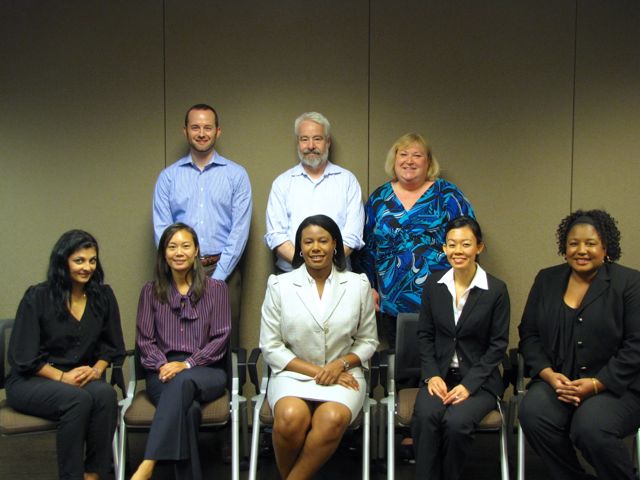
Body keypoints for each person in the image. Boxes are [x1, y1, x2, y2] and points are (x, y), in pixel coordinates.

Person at [518, 209, 640, 480]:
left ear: (606, 247)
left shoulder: (629, 283)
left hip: (616, 388)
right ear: (564, 247)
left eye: (590, 243)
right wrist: (549, 376)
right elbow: (529, 334)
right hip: (559, 382)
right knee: (533, 413)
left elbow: (636, 345)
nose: (581, 250)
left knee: (591, 428)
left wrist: (596, 384)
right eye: (574, 243)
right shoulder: (546, 279)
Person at [260, 214, 379, 479]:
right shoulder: (280, 285)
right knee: (291, 417)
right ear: (299, 248)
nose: (316, 248)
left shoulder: (357, 284)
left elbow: (368, 340)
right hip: (293, 374)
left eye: (323, 241)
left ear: (335, 244)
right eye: (308, 242)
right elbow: (270, 346)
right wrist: (317, 371)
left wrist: (340, 364)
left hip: (345, 375)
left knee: (333, 418)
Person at [6, 230, 125, 480]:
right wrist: (62, 377)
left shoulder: (102, 296)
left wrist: (96, 370)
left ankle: (93, 474)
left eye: (92, 260)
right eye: (79, 260)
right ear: (63, 261)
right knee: (77, 400)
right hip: (33, 379)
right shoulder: (38, 296)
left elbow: (112, 346)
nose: (87, 267)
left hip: (80, 377)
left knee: (104, 394)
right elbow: (23, 356)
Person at [411, 216, 509, 479]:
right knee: (426, 417)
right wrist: (432, 374)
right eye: (451, 244)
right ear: (444, 248)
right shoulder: (434, 284)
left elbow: (498, 345)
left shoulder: (496, 290)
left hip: (479, 381)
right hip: (440, 375)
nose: (458, 251)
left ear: (479, 247)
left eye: (465, 244)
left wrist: (469, 385)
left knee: (456, 423)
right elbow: (425, 335)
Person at [131, 223, 231, 480]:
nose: (179, 252)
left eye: (185, 246)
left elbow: (220, 338)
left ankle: (148, 463)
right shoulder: (150, 292)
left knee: (184, 380)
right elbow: (145, 341)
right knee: (190, 411)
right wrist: (163, 365)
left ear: (196, 250)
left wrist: (187, 364)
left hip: (207, 369)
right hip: (161, 370)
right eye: (172, 246)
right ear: (164, 253)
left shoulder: (217, 289)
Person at [358, 132, 475, 346]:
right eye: (403, 154)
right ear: (394, 160)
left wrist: (466, 283)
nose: (409, 161)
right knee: (402, 365)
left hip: (442, 297)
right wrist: (370, 287)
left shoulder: (447, 195)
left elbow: (469, 240)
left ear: (428, 162)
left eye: (417, 155)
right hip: (392, 301)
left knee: (440, 364)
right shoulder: (379, 199)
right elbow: (367, 248)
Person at [152, 103, 251, 348]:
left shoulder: (236, 175)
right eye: (195, 127)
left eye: (208, 127)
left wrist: (217, 279)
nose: (201, 133)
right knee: (179, 339)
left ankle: (228, 387)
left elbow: (239, 231)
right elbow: (162, 230)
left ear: (218, 131)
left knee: (226, 343)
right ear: (185, 131)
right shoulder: (168, 177)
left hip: (224, 269)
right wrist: (181, 268)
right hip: (178, 270)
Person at [264, 112, 364, 273]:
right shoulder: (282, 183)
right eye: (304, 139)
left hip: (338, 274)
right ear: (298, 143)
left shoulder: (347, 181)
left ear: (328, 142)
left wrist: (324, 266)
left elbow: (353, 235)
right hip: (291, 274)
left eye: (317, 138)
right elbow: (276, 235)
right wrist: (308, 265)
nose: (310, 145)